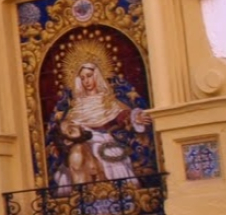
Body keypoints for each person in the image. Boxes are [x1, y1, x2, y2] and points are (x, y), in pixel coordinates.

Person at [48, 55, 153, 190]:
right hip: (84, 143)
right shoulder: (76, 107)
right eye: (82, 78)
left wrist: (135, 118)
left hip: (105, 143)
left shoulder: (108, 101)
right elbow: (66, 129)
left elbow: (123, 116)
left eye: (89, 76)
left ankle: (122, 193)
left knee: (114, 162)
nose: (86, 81)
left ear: (96, 76)